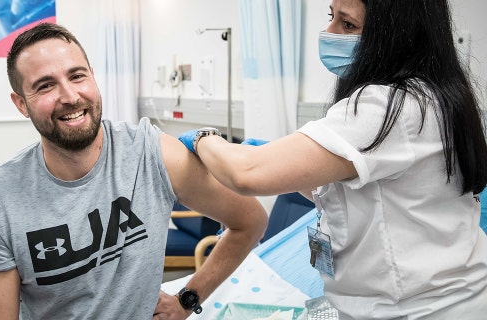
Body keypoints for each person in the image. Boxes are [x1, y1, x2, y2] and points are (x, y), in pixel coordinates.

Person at [179, 0, 487, 319]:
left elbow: (246, 174)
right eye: (331, 17)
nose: (329, 33)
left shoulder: (389, 106)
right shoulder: (434, 97)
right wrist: (296, 169)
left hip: (421, 309)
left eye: (348, 24)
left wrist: (204, 138)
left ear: (394, 35)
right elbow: (367, 199)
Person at [0, 23, 267, 319]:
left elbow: (249, 221)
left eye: (77, 76)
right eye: (45, 86)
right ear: (21, 104)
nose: (69, 96)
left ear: (93, 77)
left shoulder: (152, 154)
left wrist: (187, 300)